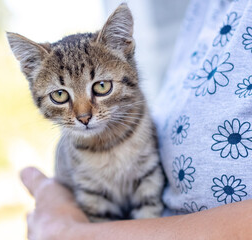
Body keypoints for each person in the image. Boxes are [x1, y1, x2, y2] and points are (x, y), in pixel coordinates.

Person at [20, 0, 252, 239]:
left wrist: (67, 232)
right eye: (60, 96)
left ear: (124, 47)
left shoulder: (138, 120)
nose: (83, 115)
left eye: (100, 87)